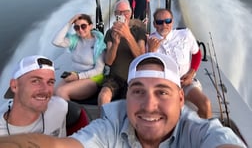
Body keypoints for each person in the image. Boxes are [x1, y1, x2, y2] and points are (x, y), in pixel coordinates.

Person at [0, 52, 246, 148]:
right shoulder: (110, 127)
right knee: (104, 95)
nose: (149, 105)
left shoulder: (199, 131)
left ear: (181, 99)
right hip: (111, 78)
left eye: (162, 92)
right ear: (126, 97)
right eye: (138, 91)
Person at [147, 8, 212, 119]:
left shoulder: (185, 34)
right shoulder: (149, 41)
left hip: (186, 84)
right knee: (170, 114)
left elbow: (196, 54)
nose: (164, 24)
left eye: (168, 21)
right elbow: (148, 71)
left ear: (172, 21)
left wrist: (191, 74)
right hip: (164, 87)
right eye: (160, 22)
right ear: (154, 24)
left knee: (205, 104)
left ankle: (202, 135)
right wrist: (151, 52)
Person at [0, 55, 68, 136]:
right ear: (14, 86)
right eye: (35, 81)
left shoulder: (59, 107)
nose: (45, 90)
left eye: (50, 82)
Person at [97, 0, 146, 109]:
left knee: (129, 101)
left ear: (130, 13)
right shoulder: (110, 32)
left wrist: (127, 35)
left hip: (133, 77)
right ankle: (104, 124)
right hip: (114, 78)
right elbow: (108, 61)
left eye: (125, 12)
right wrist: (115, 43)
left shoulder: (139, 32)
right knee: (103, 96)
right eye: (119, 12)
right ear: (115, 14)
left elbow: (141, 57)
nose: (122, 15)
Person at [52, 14, 106, 101]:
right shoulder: (75, 40)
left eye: (83, 26)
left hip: (93, 79)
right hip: (75, 75)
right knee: (53, 92)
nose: (80, 30)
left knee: (61, 92)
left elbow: (98, 71)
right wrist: (70, 22)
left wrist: (78, 76)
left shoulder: (99, 44)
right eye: (77, 27)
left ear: (90, 26)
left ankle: (74, 114)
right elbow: (56, 41)